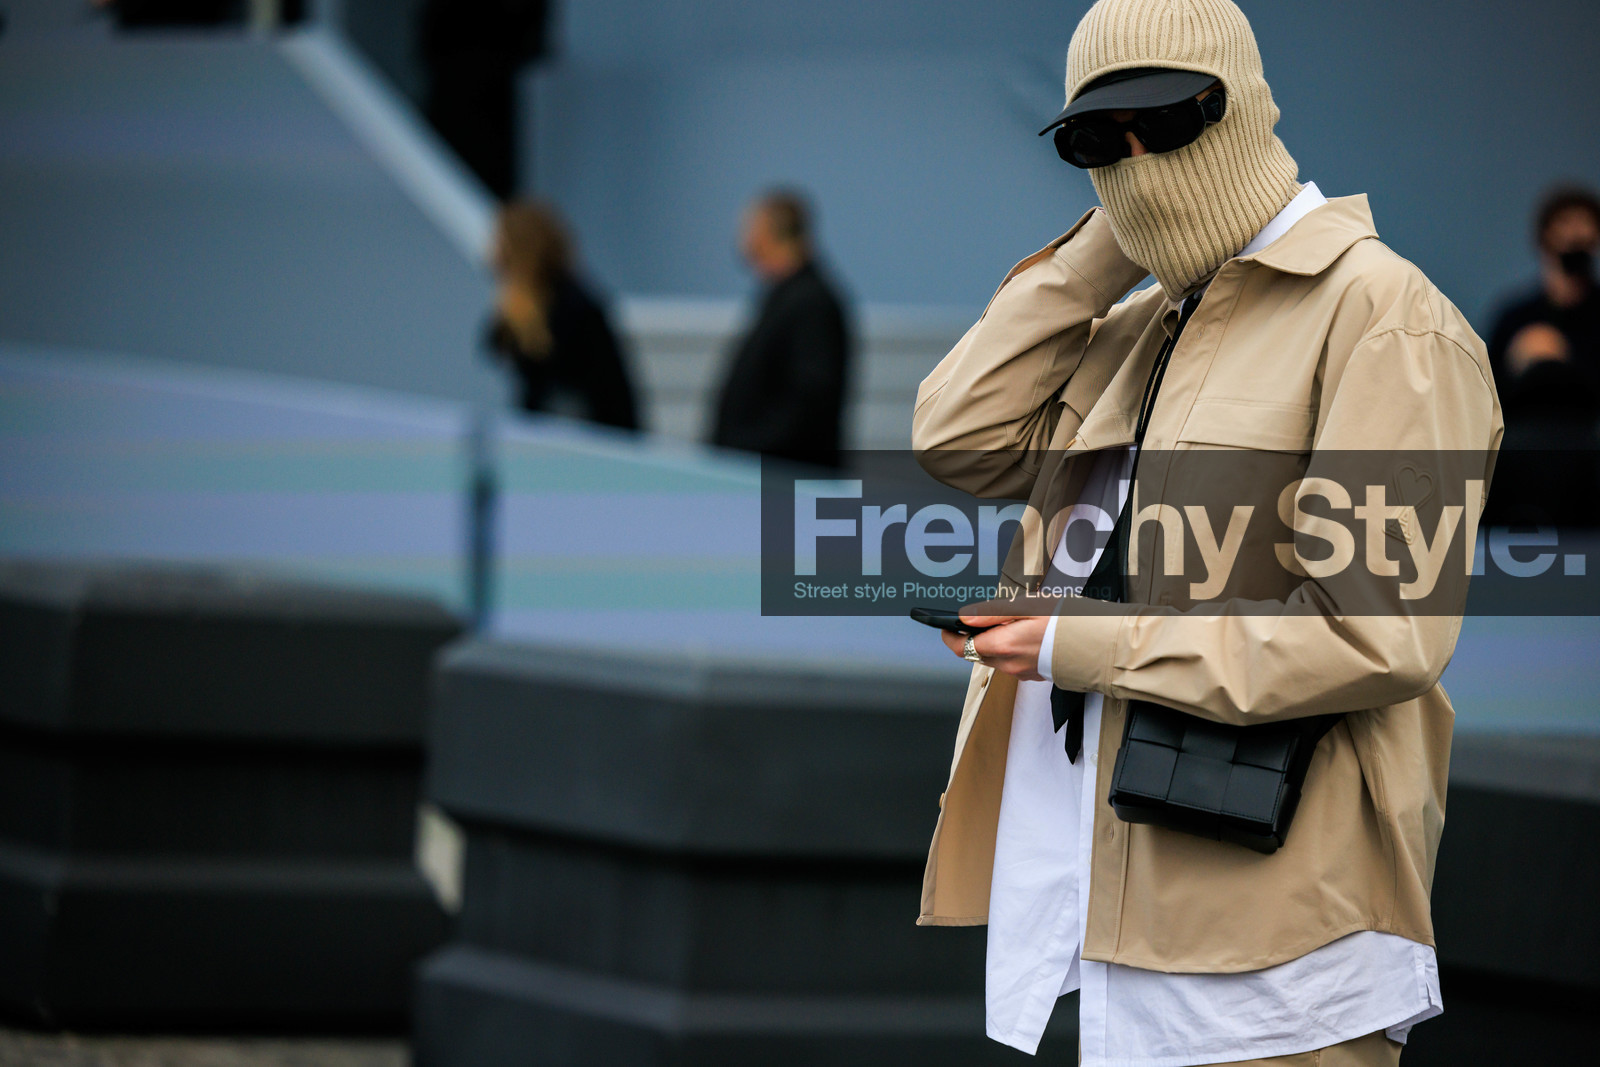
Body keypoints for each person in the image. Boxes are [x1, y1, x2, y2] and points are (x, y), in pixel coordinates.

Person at [910, 2, 1501, 1065]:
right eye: (1097, 144)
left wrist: (1070, 637)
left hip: (1283, 962)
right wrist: (1106, 246)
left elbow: (1381, 634)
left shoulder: (1385, 319)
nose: (1137, 167)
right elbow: (959, 434)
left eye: (1164, 124)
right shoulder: (1141, 324)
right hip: (1113, 930)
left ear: (1243, 111)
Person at [710, 190, 851, 468]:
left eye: (749, 228)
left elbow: (808, 404)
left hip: (784, 483)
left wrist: (747, 448)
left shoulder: (811, 302)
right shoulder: (787, 296)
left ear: (766, 235)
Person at [485, 201, 641, 432]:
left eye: (499, 242)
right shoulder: (533, 303)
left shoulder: (571, 308)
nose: (491, 251)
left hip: (589, 441)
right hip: (562, 438)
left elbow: (602, 401)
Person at [1486, 185, 1600, 421]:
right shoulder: (1515, 317)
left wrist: (1561, 357)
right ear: (1545, 236)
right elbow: (1488, 395)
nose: (1576, 234)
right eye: (1566, 224)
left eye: (1585, 224)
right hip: (1524, 442)